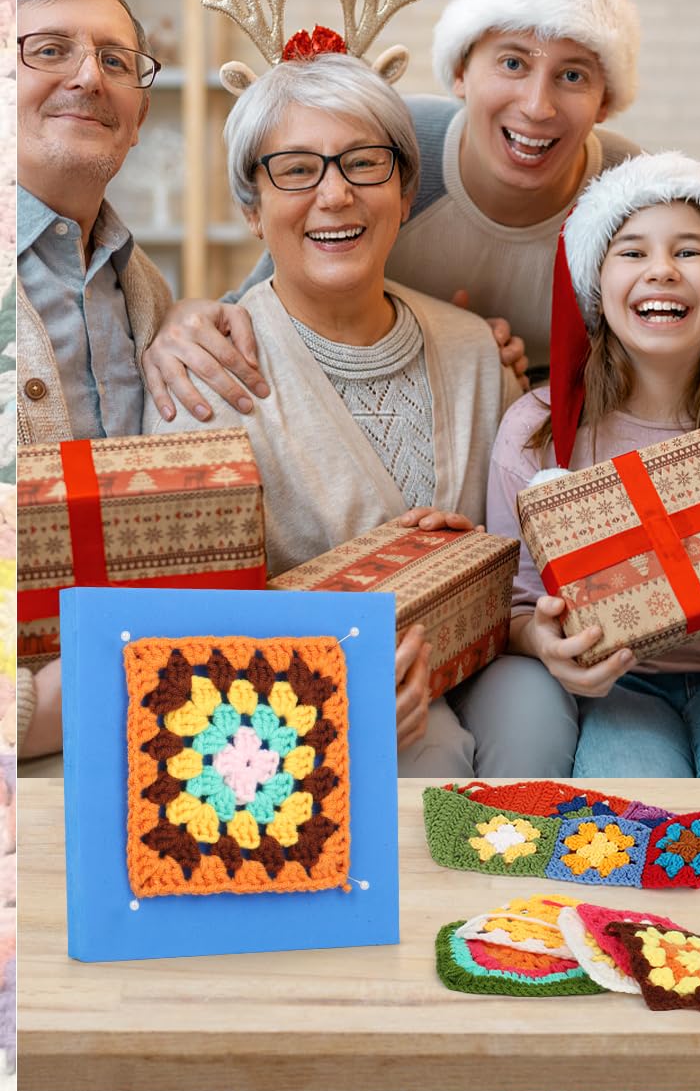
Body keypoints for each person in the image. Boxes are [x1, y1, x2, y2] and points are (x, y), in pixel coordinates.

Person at [145, 50, 577, 774]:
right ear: (251, 208)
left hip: (482, 659)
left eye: (364, 164)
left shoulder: (476, 352)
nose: (335, 194)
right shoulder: (203, 384)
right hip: (298, 702)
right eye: (295, 169)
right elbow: (191, 642)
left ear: (406, 193)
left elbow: (526, 566)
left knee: (535, 704)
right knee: (427, 751)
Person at [140, 0, 642, 418]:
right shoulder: (392, 145)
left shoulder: (631, 194)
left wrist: (507, 383)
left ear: (606, 100)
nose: (536, 106)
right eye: (512, 63)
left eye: (573, 75)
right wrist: (186, 317)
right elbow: (271, 288)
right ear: (461, 73)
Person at [486, 151, 700, 778]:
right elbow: (515, 607)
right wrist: (544, 643)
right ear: (597, 284)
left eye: (688, 251)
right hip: (619, 690)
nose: (661, 271)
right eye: (633, 253)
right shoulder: (539, 430)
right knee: (635, 810)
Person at [15, 0, 172, 762]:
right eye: (46, 50)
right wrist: (38, 710)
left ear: (139, 115)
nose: (88, 76)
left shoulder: (144, 291)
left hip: (146, 723)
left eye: (116, 61)